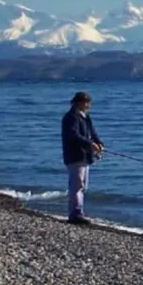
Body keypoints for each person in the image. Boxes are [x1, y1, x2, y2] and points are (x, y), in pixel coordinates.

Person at [61, 91, 103, 225]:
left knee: (83, 186)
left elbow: (93, 133)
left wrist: (99, 144)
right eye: (87, 103)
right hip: (74, 155)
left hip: (85, 156)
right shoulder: (70, 117)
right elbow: (73, 135)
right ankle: (75, 214)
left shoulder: (86, 117)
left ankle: (78, 211)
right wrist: (90, 144)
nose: (89, 105)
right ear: (79, 102)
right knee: (76, 185)